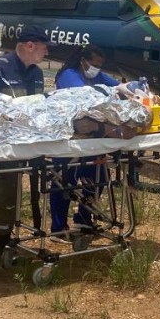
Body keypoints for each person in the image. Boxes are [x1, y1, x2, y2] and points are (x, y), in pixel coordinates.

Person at [0, 25, 51, 261]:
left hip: (23, 142)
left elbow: (37, 106)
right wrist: (7, 108)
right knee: (7, 198)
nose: (46, 53)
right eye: (43, 48)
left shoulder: (35, 73)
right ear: (30, 45)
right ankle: (1, 250)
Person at [49, 45, 120, 235]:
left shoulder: (96, 76)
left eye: (100, 65)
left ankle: (84, 216)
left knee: (99, 178)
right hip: (70, 136)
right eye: (94, 64)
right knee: (64, 181)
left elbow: (116, 86)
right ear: (83, 61)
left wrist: (132, 88)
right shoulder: (69, 75)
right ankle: (58, 227)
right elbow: (85, 96)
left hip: (92, 137)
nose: (96, 68)